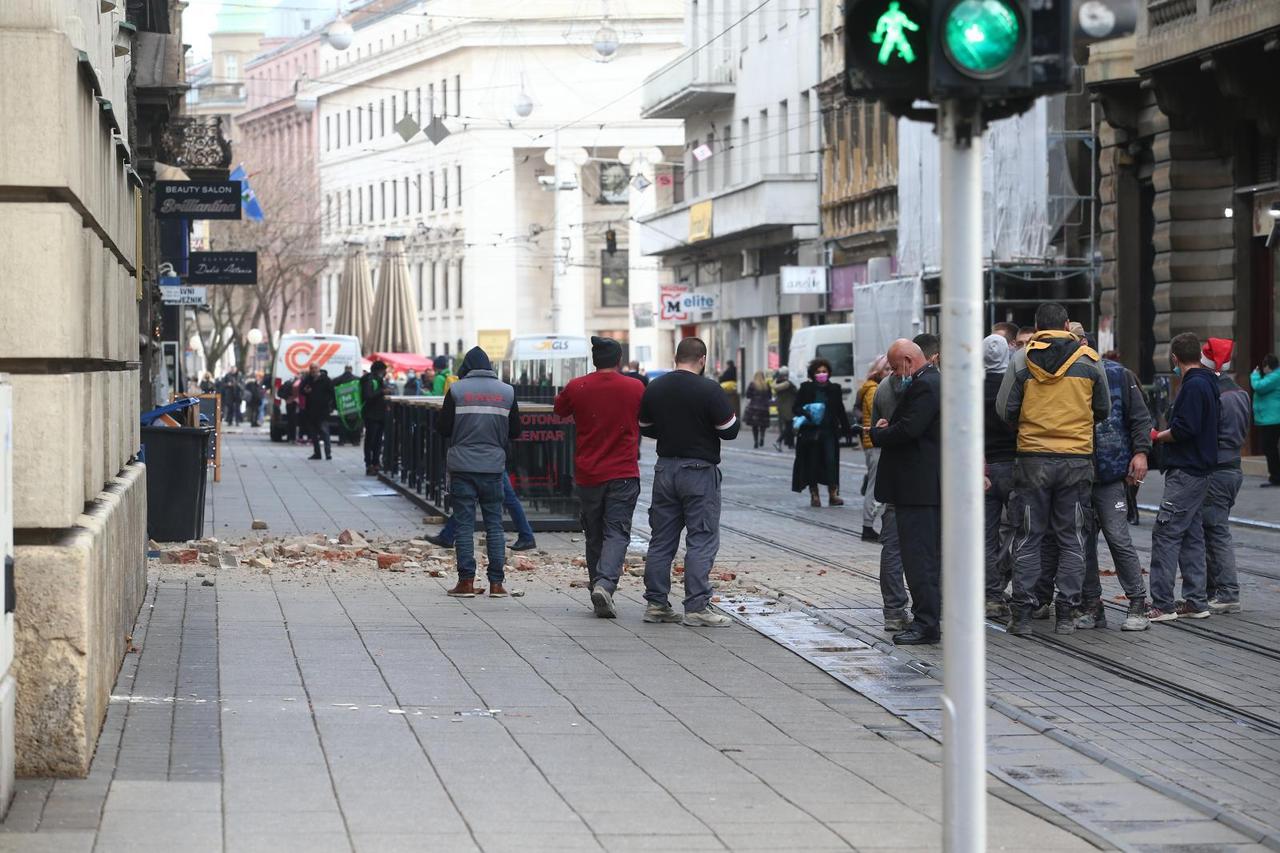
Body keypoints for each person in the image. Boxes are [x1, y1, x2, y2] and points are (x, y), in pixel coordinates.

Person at [997, 302, 1110, 637]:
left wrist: (1031, 425)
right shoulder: (1090, 361)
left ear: (1037, 325)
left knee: (1029, 535)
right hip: (1076, 460)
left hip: (1033, 460)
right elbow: (1102, 409)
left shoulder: (1021, 359)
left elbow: (1005, 409)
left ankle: (1023, 614)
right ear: (1065, 324)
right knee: (1072, 536)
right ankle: (1066, 613)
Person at [639, 337, 739, 627]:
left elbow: (644, 426)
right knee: (701, 539)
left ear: (675, 357)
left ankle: (656, 604)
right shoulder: (709, 389)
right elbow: (729, 430)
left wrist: (671, 432)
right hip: (699, 471)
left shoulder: (655, 388)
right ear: (703, 360)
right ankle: (696, 607)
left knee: (661, 540)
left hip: (665, 470)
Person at [554, 336, 646, 618]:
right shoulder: (635, 387)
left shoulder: (577, 386)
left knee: (593, 532)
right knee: (616, 531)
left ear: (594, 360)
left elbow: (559, 411)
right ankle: (605, 585)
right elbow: (647, 418)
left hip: (589, 473)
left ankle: (598, 585)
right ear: (618, 360)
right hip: (623, 471)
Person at [1072, 341, 1153, 632]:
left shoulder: (1119, 375)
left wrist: (1141, 451)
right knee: (1083, 543)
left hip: (1110, 473)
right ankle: (1093, 606)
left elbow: (1140, 417)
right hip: (1078, 474)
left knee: (1118, 538)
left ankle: (1137, 603)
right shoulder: (1064, 376)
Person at [870, 339, 942, 645]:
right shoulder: (929, 382)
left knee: (919, 558)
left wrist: (880, 432)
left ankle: (926, 623)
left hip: (918, 487)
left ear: (910, 361)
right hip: (920, 486)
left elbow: (910, 429)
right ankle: (926, 619)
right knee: (920, 556)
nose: (895, 375)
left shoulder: (926, 385)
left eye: (897, 368)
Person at [436, 346, 522, 598]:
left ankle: (466, 582)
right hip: (493, 467)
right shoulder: (507, 392)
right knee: (495, 524)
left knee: (464, 525)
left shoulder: (457, 390)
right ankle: (496, 583)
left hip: (462, 466)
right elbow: (515, 431)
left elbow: (443, 428)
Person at [1147, 332, 1221, 622]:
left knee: (1165, 533)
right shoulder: (1209, 383)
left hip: (1186, 471)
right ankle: (1196, 600)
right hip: (1200, 471)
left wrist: (1157, 436)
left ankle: (1162, 604)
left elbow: (1184, 429)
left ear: (1175, 358)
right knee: (1191, 534)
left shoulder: (1192, 386)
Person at [1202, 338, 1249, 614]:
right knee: (1214, 528)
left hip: (1217, 469)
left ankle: (1228, 591)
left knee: (1216, 531)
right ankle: (1216, 588)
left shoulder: (1215, 395)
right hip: (1233, 467)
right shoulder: (1241, 393)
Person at [872, 367, 910, 631]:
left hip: (893, 476)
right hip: (925, 480)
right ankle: (930, 609)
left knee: (893, 548)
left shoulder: (883, 386)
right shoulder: (934, 384)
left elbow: (875, 429)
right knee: (931, 549)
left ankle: (894, 611)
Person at [982, 334, 1017, 620]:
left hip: (982, 469)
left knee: (986, 536)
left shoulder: (973, 387)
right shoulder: (1015, 385)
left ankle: (991, 595)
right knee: (1022, 530)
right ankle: (1018, 589)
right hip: (1014, 465)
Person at [791, 358, 854, 507]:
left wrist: (847, 430)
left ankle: (833, 493)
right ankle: (815, 495)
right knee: (812, 463)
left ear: (829, 373)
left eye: (824, 371)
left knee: (831, 462)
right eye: (818, 372)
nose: (821, 374)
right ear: (813, 374)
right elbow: (796, 407)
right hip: (811, 433)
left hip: (829, 432)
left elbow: (840, 410)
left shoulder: (834, 389)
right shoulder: (806, 388)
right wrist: (807, 413)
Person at [426, 477, 538, 552]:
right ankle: (447, 535)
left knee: (469, 501)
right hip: (492, 459)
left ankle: (447, 536)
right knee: (505, 499)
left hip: (486, 461)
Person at [857, 356, 890, 541]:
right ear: (877, 372)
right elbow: (882, 412)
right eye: (886, 370)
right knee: (874, 486)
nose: (890, 373)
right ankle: (868, 526)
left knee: (876, 483)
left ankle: (872, 524)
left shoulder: (872, 388)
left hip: (873, 444)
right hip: (875, 445)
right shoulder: (873, 390)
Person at [1252, 354, 1280, 486]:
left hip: (1272, 419)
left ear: (1268, 366)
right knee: (1270, 448)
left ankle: (1276, 477)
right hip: (1270, 418)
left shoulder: (1275, 376)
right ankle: (1275, 476)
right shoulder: (1274, 376)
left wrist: (1254, 375)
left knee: (1270, 448)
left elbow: (1259, 387)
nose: (1262, 369)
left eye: (1264, 366)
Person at [299, 364, 335, 461]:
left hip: (322, 411)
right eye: (311, 368)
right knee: (313, 433)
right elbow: (301, 389)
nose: (313, 370)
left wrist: (331, 406)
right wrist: (305, 391)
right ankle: (317, 453)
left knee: (324, 432)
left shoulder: (326, 380)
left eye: (315, 368)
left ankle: (328, 453)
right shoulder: (308, 379)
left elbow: (333, 393)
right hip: (310, 411)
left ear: (319, 369)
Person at [360, 360, 388, 476]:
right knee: (370, 440)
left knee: (377, 441)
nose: (385, 373)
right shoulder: (369, 380)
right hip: (371, 415)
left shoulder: (378, 379)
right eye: (384, 370)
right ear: (379, 370)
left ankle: (376, 462)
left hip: (380, 415)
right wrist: (382, 391)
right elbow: (368, 396)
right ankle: (369, 464)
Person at [743, 370, 772, 449]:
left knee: (754, 426)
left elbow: (748, 395)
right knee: (763, 425)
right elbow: (770, 396)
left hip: (754, 408)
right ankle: (762, 437)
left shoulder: (752, 384)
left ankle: (756, 441)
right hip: (764, 407)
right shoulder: (766, 385)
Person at [772, 367, 797, 451]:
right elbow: (796, 392)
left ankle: (791, 444)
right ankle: (779, 441)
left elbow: (775, 387)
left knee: (788, 426)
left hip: (783, 407)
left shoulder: (778, 383)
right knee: (789, 427)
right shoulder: (787, 384)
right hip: (788, 407)